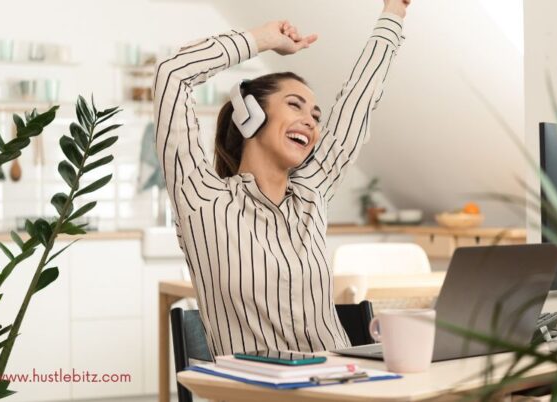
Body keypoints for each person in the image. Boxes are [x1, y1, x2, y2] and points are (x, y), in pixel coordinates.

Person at [154, 0, 410, 356]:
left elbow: (357, 103)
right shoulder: (202, 200)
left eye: (315, 116)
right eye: (295, 105)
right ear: (250, 115)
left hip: (340, 383)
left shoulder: (311, 193)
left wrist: (393, 13)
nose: (310, 121)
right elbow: (172, 74)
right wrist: (263, 39)